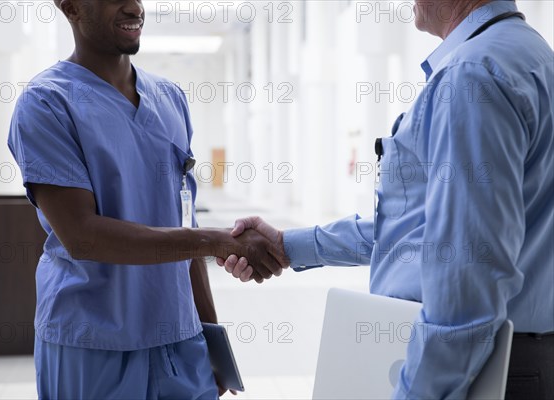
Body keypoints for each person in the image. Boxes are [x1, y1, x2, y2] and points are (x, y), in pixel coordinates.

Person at [219, 0, 554, 398]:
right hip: (526, 358)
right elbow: (417, 226)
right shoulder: (531, 55)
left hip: (484, 370)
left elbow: (467, 278)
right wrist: (287, 247)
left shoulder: (472, 76)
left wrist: (419, 392)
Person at [7, 0, 284, 398]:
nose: (134, 7)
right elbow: (82, 237)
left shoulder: (170, 98)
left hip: (180, 342)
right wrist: (217, 240)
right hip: (91, 346)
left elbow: (182, 224)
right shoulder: (47, 103)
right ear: (70, 7)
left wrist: (211, 338)